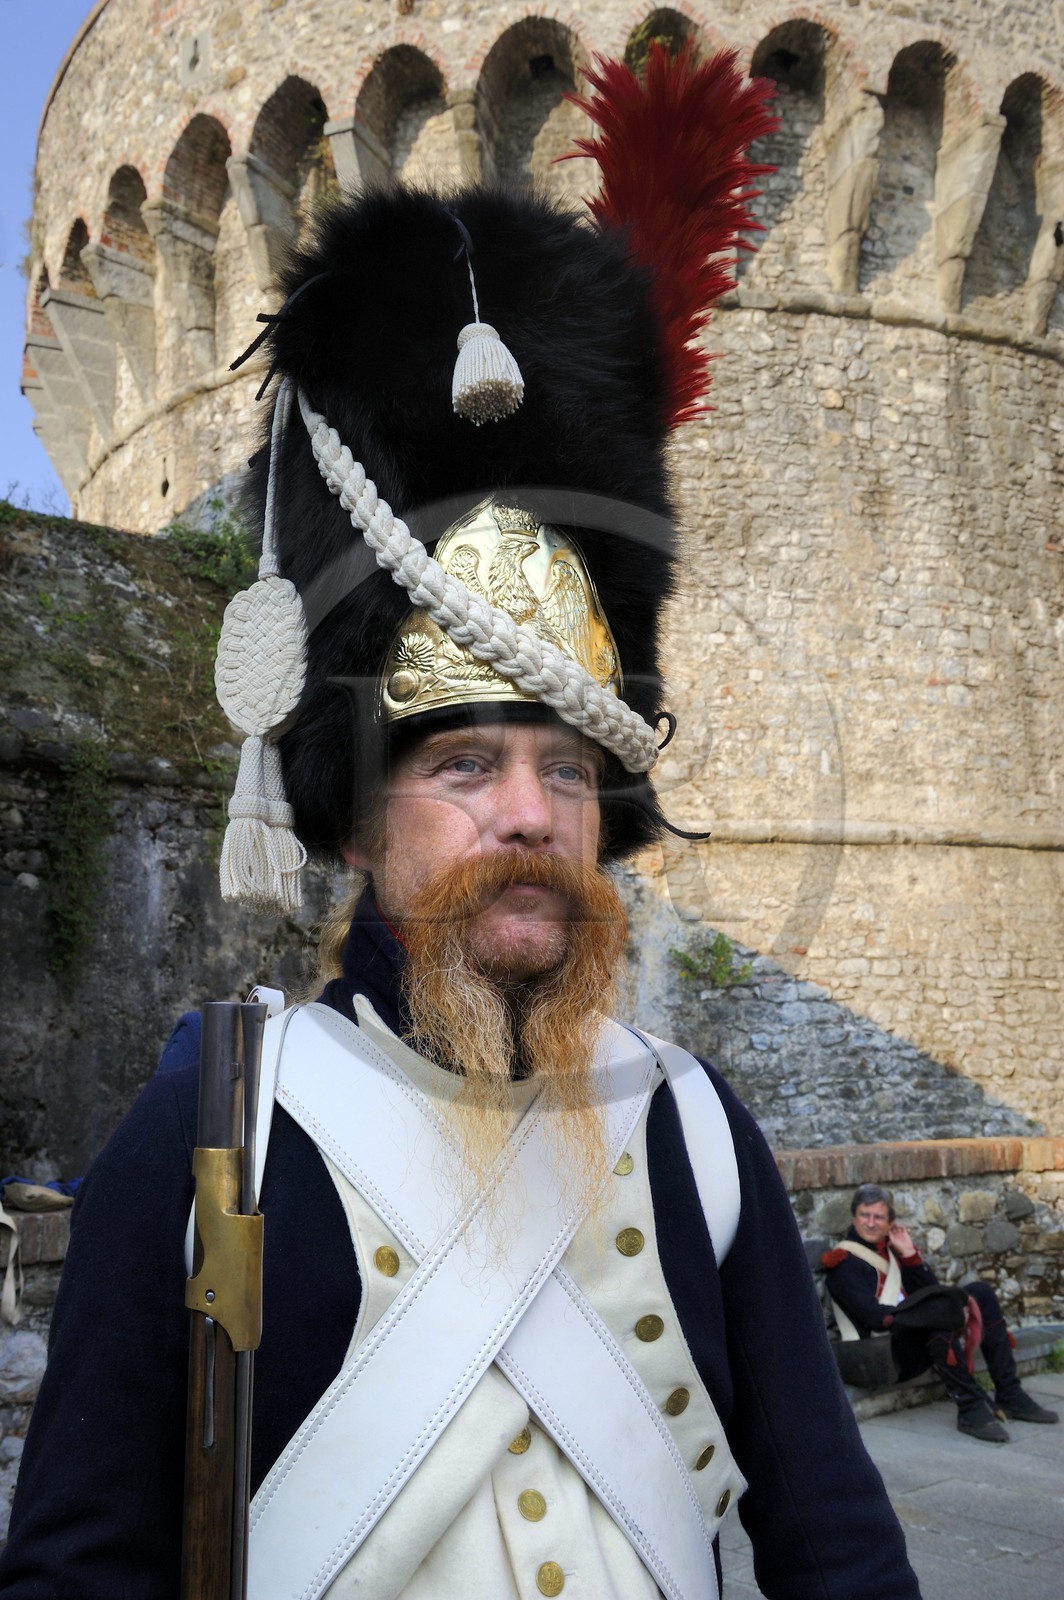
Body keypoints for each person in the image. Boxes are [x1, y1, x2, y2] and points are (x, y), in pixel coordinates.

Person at [0, 48, 924, 1600]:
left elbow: (833, 1543)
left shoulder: (698, 1142)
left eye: (569, 771)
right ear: (355, 818)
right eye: (463, 767)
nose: (530, 817)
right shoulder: (204, 1137)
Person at [822, 1183, 1060, 1444]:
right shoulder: (842, 1262)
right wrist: (932, 1312)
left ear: (890, 1222)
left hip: (908, 1341)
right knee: (937, 1317)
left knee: (980, 1292)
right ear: (854, 1218)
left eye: (878, 1217)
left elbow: (932, 1293)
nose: (870, 1223)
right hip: (874, 1354)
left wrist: (910, 1256)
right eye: (864, 1216)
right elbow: (874, 1317)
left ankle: (1010, 1393)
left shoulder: (893, 1252)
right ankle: (970, 1408)